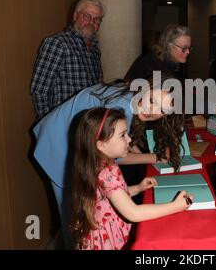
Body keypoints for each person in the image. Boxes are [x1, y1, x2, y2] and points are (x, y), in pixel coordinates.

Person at [32, 76, 185, 248]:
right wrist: (154, 157)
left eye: (162, 110)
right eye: (152, 100)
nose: (153, 111)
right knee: (74, 220)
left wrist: (148, 157)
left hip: (68, 136)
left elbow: (122, 143)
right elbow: (118, 154)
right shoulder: (120, 108)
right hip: (58, 146)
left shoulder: (131, 96)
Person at [70, 107, 192, 250]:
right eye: (122, 135)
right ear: (101, 145)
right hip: (108, 239)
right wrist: (175, 206)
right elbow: (133, 213)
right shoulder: (106, 171)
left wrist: (138, 188)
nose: (129, 139)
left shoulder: (100, 162)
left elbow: (112, 195)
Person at [30, 0, 104, 119]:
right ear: (75, 16)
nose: (91, 22)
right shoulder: (58, 43)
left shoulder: (95, 50)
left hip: (88, 124)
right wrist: (51, 122)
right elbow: (39, 89)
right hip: (64, 123)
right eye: (87, 16)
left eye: (97, 20)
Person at [125, 24, 192, 81]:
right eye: (184, 48)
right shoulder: (151, 66)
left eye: (189, 47)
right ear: (169, 46)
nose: (188, 52)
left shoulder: (169, 63)